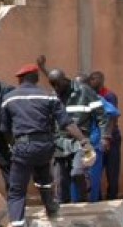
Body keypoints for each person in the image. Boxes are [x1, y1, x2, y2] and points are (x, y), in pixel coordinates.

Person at [0, 64, 92, 227]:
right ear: (36, 78)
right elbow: (66, 123)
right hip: (45, 146)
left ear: (20, 79)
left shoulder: (9, 98)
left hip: (23, 147)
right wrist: (84, 141)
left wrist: (13, 145)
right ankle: (51, 206)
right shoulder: (49, 96)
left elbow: (4, 129)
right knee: (43, 177)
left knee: (17, 192)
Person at [37, 57, 108, 204]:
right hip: (60, 142)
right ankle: (64, 212)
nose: (55, 88)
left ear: (64, 81)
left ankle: (83, 202)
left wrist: (105, 137)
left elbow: (102, 115)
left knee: (77, 173)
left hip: (80, 140)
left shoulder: (84, 91)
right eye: (52, 85)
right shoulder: (54, 95)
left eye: (57, 85)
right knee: (61, 181)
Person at [88, 71, 122, 200]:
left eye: (95, 79)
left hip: (110, 138)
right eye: (91, 79)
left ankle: (112, 198)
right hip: (96, 138)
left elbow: (112, 118)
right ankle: (97, 198)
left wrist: (107, 137)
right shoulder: (89, 96)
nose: (92, 81)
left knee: (112, 171)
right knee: (95, 171)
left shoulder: (108, 96)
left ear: (102, 80)